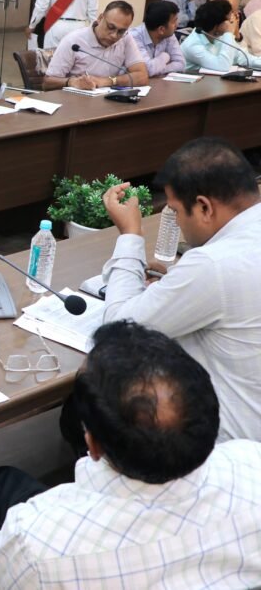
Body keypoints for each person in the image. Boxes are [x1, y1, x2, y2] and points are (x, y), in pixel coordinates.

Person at [0, 320, 261, 588]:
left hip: (11, 567)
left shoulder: (41, 543)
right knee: (3, 482)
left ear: (91, 443)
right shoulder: (251, 462)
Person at [98, 137, 261, 442]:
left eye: (174, 211)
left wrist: (130, 234)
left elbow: (116, 331)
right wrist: (175, 279)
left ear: (204, 207)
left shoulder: (213, 264)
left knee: (95, 397)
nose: (176, 222)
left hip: (228, 443)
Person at [42, 0, 148, 90]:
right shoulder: (73, 41)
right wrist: (71, 82)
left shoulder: (125, 38)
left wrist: (107, 81)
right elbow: (47, 83)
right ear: (100, 18)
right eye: (111, 27)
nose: (114, 35)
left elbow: (142, 76)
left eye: (121, 31)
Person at [182, 0, 261, 71]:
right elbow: (223, 66)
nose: (232, 22)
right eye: (229, 20)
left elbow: (245, 58)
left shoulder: (219, 36)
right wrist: (229, 33)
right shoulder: (192, 45)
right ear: (217, 24)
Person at [129, 0, 186, 76]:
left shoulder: (169, 35)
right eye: (174, 22)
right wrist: (165, 56)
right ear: (161, 29)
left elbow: (181, 64)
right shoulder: (133, 37)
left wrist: (158, 68)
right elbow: (147, 70)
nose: (177, 24)